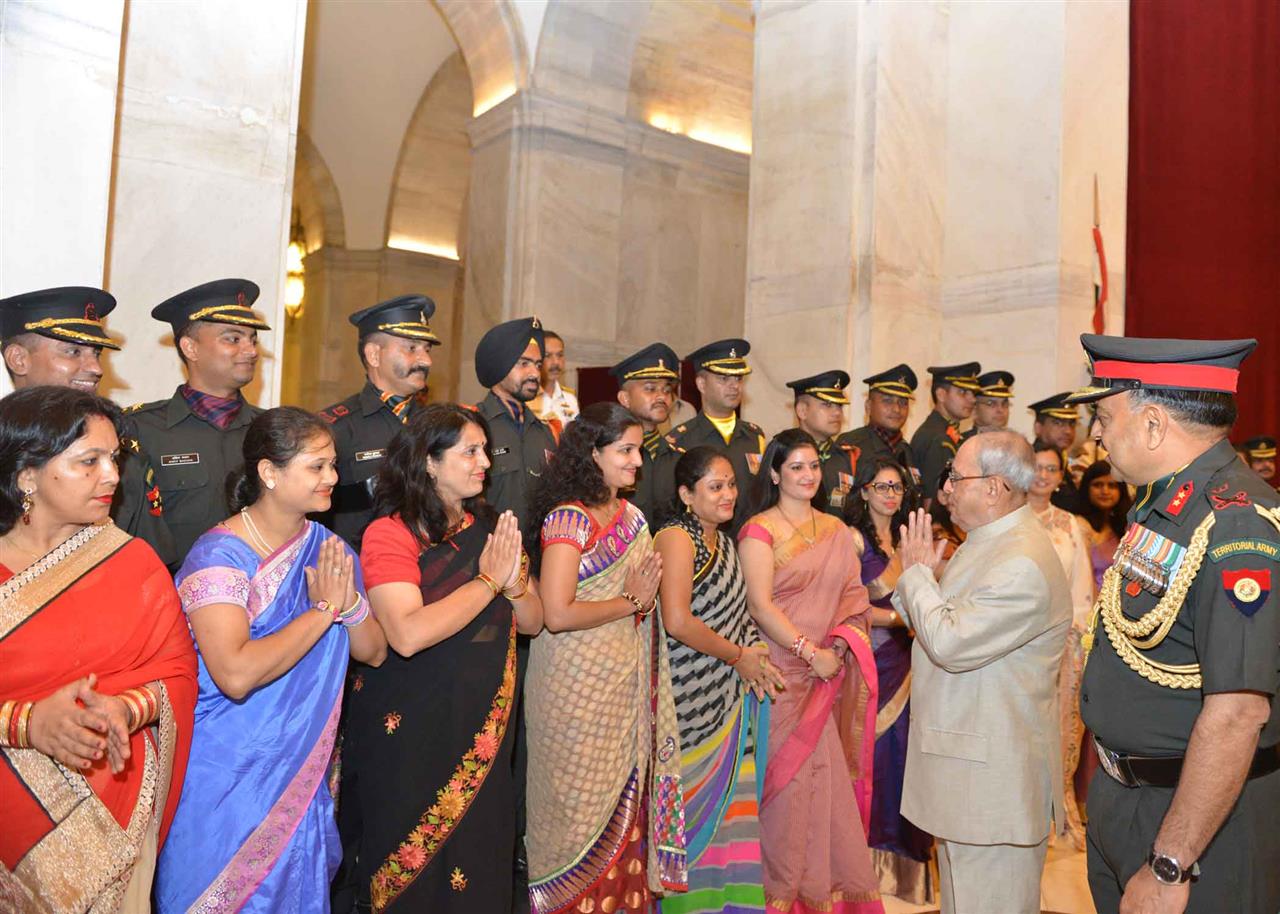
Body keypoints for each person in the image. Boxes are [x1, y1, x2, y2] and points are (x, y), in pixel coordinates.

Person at [1068, 334, 1280, 914]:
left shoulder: (1235, 528)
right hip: (1128, 799)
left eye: (1104, 417)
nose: (1096, 435)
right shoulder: (1165, 505)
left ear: (1154, 424)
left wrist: (1171, 863)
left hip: (1198, 824)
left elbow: (1238, 713)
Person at [155, 407, 387, 913]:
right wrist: (323, 612)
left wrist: (348, 604)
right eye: (317, 466)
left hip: (298, 773)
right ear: (269, 472)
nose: (333, 477)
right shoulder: (218, 557)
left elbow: (373, 650)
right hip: (226, 773)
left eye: (333, 464)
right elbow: (236, 675)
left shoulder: (329, 551)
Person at [339, 403, 543, 912]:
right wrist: (489, 581)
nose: (485, 463)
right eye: (469, 452)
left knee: (480, 860)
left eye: (485, 451)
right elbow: (406, 634)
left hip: (482, 729)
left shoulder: (490, 529)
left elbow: (533, 621)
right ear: (429, 462)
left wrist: (514, 585)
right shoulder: (391, 532)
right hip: (412, 729)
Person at [0, 387, 197, 909]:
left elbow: (176, 674)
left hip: (112, 810)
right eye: (89, 461)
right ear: (27, 475)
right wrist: (26, 723)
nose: (112, 475)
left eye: (114, 458)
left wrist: (125, 709)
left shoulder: (132, 563)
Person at [892, 431, 1071, 914]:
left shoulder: (1020, 562)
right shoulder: (989, 542)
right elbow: (945, 625)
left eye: (956, 476)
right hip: (968, 776)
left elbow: (950, 644)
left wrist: (916, 577)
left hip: (992, 788)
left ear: (993, 488)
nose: (946, 488)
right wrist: (920, 584)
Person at [524, 402, 688, 913]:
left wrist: (639, 603)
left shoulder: (633, 518)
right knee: (575, 818)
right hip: (573, 697)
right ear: (592, 454)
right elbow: (556, 613)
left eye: (638, 450)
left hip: (624, 690)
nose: (637, 461)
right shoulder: (568, 519)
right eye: (626, 450)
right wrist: (631, 602)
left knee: (627, 810)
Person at [737, 428, 884, 914]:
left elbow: (853, 600)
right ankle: (778, 899)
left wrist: (837, 647)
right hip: (778, 678)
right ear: (775, 474)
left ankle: (821, 898)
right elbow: (760, 606)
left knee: (825, 790)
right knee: (785, 794)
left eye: (814, 466)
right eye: (796, 467)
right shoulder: (759, 530)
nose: (807, 475)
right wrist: (807, 651)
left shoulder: (836, 531)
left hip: (826, 675)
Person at [654, 446, 784, 914]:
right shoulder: (676, 538)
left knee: (733, 818)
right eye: (715, 486)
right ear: (687, 494)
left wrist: (757, 654)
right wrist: (738, 656)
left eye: (731, 484)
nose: (728, 494)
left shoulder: (725, 544)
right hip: (687, 702)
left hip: (729, 699)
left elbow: (740, 616)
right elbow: (677, 621)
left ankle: (730, 903)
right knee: (689, 814)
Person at [0, 285, 175, 565]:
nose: (96, 368)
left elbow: (149, 565)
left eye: (96, 353)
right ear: (18, 359)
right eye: (73, 351)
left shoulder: (123, 456)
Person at [842, 457, 933, 904]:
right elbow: (849, 604)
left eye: (897, 487)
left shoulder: (906, 539)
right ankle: (862, 868)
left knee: (905, 757)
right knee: (871, 757)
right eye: (881, 487)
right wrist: (903, 618)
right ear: (863, 491)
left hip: (908, 660)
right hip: (869, 658)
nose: (890, 495)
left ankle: (903, 870)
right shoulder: (852, 539)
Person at [128, 278, 270, 566]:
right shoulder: (139, 430)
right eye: (233, 339)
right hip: (169, 588)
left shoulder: (271, 430)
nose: (251, 351)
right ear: (190, 348)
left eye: (253, 340)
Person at [319, 294, 439, 551]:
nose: (426, 361)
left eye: (427, 350)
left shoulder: (437, 426)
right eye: (412, 348)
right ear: (374, 355)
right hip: (357, 567)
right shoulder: (334, 428)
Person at [1028, 441, 1096, 851]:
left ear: (1060, 477)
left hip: (1062, 642)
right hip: (1016, 643)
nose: (1043, 475)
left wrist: (1079, 639)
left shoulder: (1071, 525)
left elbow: (1081, 589)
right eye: (1036, 467)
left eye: (1051, 469)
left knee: (1058, 728)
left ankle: (1056, 811)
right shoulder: (1007, 520)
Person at [665, 339, 765, 534]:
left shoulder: (755, 436)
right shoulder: (680, 442)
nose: (734, 386)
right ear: (701, 384)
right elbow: (669, 508)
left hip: (749, 543)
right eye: (724, 378)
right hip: (701, 544)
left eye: (738, 378)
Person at [474, 317, 557, 536]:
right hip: (488, 552)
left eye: (538, 365)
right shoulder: (472, 427)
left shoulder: (546, 432)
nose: (535, 374)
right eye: (524, 363)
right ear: (498, 367)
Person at [612, 342, 682, 525]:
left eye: (667, 390)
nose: (662, 397)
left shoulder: (676, 457)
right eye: (650, 389)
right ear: (625, 398)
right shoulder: (609, 457)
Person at [787, 369, 861, 515]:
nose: (837, 412)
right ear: (802, 410)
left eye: (839, 406)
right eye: (827, 405)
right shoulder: (784, 453)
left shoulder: (847, 457)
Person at [837, 364, 920, 488]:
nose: (897, 409)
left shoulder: (906, 451)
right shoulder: (852, 446)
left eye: (903, 402)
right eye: (887, 401)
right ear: (868, 406)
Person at [910, 362, 980, 505]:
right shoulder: (937, 438)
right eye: (963, 392)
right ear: (941, 394)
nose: (972, 399)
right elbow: (931, 500)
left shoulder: (947, 433)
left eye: (972, 393)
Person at [1073, 459, 1130, 591]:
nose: (1105, 491)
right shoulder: (1077, 524)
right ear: (1086, 488)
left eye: (1112, 485)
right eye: (1098, 485)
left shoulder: (1127, 526)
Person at [1028, 392, 1082, 510]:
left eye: (1072, 424)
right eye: (1058, 423)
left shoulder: (1064, 463)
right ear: (1038, 427)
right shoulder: (1027, 461)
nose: (1068, 431)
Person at [530, 329, 579, 441]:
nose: (556, 362)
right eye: (548, 355)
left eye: (560, 355)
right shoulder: (525, 398)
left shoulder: (570, 399)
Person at [961, 370, 1014, 440]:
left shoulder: (1016, 443)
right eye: (991, 403)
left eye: (1004, 404)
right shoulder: (962, 443)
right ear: (974, 409)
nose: (1000, 410)